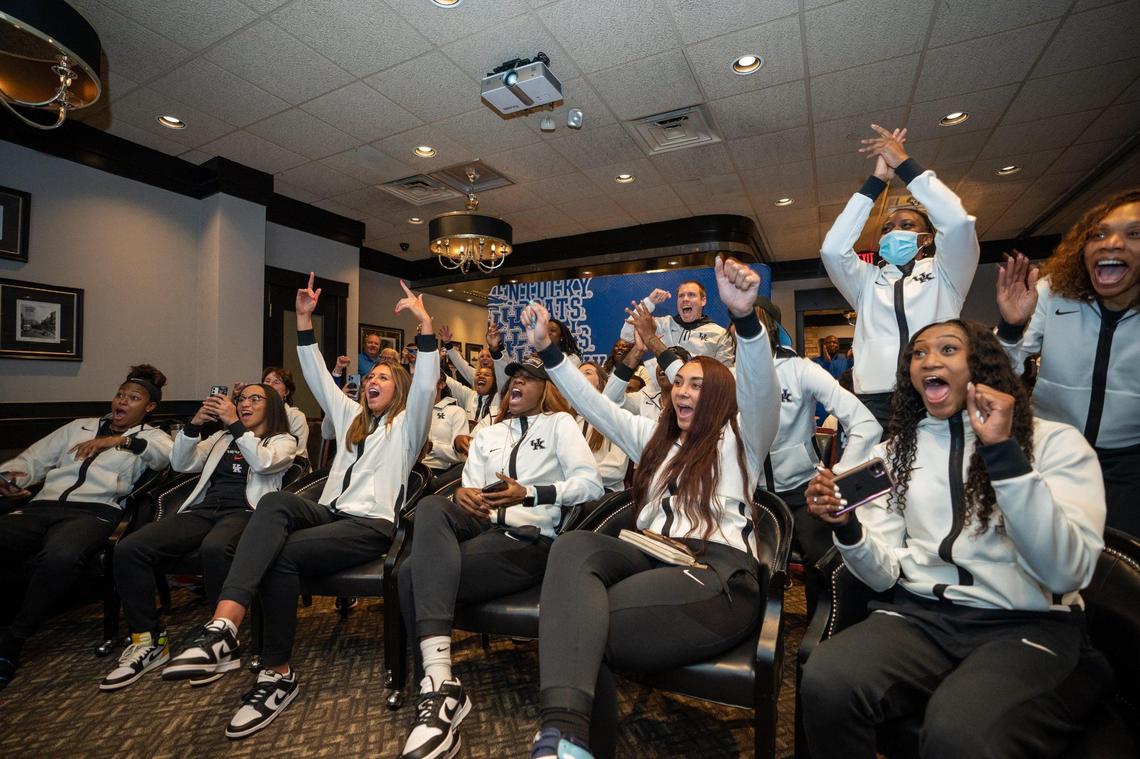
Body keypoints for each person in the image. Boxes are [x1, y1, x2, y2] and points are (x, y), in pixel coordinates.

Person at [799, 320, 1109, 759]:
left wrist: (1003, 453)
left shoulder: (1054, 443)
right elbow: (882, 575)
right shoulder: (892, 455)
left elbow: (1066, 570)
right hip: (921, 617)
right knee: (827, 679)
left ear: (980, 365)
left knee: (959, 731)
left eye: (948, 349)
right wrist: (847, 526)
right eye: (919, 353)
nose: (930, 360)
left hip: (1024, 623)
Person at [522, 256, 780, 759]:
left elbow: (760, 388)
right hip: (649, 553)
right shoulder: (655, 438)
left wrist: (746, 320)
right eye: (679, 382)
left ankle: (566, 741)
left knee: (579, 627)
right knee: (574, 547)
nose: (682, 390)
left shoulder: (744, 436)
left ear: (722, 397)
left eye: (697, 385)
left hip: (714, 573)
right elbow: (595, 405)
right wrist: (550, 352)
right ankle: (567, 737)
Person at [160, 275, 438, 739]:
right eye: (370, 376)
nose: (372, 381)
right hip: (329, 511)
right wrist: (305, 321)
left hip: (370, 524)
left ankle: (277, 674)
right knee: (273, 503)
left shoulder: (409, 424)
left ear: (401, 390)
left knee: (280, 557)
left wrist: (425, 324)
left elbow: (427, 384)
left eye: (383, 378)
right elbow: (316, 377)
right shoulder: (351, 417)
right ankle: (223, 629)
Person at [396, 356, 603, 759]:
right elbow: (471, 487)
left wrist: (531, 492)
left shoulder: (560, 425)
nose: (517, 386)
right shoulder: (490, 431)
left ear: (546, 389)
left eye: (528, 379)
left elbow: (591, 484)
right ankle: (440, 686)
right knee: (432, 507)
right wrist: (462, 494)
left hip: (528, 540)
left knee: (409, 575)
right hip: (482, 529)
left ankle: (437, 694)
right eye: (513, 381)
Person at [101, 384, 297, 691]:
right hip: (203, 511)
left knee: (216, 548)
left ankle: (217, 643)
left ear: (270, 407)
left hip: (247, 513)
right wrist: (194, 425)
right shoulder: (221, 438)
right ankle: (147, 640)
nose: (244, 403)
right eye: (241, 398)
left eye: (254, 399)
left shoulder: (283, 440)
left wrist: (234, 423)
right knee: (130, 548)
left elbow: (264, 462)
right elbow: (182, 463)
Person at [0, 365, 173, 689]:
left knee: (61, 557)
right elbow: (32, 460)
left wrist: (118, 441)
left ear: (149, 407)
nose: (122, 401)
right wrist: (9, 477)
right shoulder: (78, 427)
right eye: (120, 394)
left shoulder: (150, 436)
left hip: (94, 512)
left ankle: (13, 640)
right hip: (42, 505)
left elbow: (166, 456)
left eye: (133, 398)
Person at [995, 189, 1139, 536]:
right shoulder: (1053, 292)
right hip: (1052, 451)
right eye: (1098, 234)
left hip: (1128, 464)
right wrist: (1012, 327)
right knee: (1044, 551)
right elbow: (1003, 370)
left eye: (1134, 233)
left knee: (1118, 570)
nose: (1112, 243)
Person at [821, 125, 979, 430]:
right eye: (887, 229)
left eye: (905, 225)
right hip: (874, 403)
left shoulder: (946, 273)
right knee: (879, 477)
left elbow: (958, 223)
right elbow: (832, 250)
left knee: (934, 475)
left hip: (933, 392)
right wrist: (876, 182)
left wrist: (905, 166)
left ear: (926, 239)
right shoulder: (867, 281)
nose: (894, 232)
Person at [752, 308, 880, 563]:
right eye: (736, 321)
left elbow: (866, 423)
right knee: (751, 576)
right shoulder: (733, 374)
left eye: (750, 320)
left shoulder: (801, 370)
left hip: (804, 491)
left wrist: (839, 476)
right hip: (752, 494)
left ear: (770, 327)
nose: (741, 329)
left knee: (822, 566)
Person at [618, 279, 734, 366]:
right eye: (681, 296)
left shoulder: (720, 334)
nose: (685, 299)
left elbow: (724, 377)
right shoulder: (662, 324)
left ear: (703, 301)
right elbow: (627, 335)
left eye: (691, 295)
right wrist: (650, 302)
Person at [575, 362, 630, 492]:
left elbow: (616, 470)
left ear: (601, 382)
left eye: (587, 373)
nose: (580, 376)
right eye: (577, 374)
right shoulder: (567, 418)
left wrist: (578, 477)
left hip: (603, 493)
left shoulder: (615, 418)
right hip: (571, 491)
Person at [421, 371, 469, 479]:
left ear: (441, 384)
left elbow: (461, 456)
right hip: (411, 468)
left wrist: (432, 447)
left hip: (440, 472)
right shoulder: (413, 412)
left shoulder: (456, 412)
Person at [257, 367, 309, 458]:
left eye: (276, 382)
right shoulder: (255, 413)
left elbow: (298, 452)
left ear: (286, 392)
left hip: (291, 466)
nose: (270, 385)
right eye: (267, 381)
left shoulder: (296, 416)